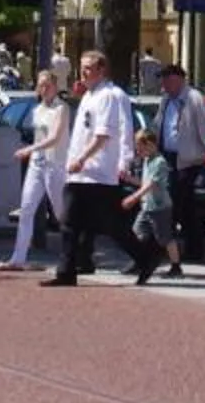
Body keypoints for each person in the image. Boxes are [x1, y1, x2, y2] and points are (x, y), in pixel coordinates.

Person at [46, 51, 154, 286]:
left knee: (112, 226)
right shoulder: (89, 96)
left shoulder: (108, 96)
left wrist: (82, 159)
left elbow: (103, 135)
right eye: (82, 67)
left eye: (88, 68)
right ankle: (67, 271)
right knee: (70, 223)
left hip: (98, 173)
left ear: (101, 70)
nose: (83, 72)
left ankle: (145, 257)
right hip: (81, 175)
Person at [3, 69, 72, 271]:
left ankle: (72, 256)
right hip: (37, 164)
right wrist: (32, 152)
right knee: (26, 210)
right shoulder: (38, 109)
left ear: (55, 87)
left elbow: (55, 138)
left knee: (60, 213)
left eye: (48, 85)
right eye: (41, 85)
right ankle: (18, 258)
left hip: (55, 165)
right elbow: (38, 136)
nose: (44, 89)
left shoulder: (62, 108)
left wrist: (29, 149)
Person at [153, 63, 205, 266]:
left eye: (167, 79)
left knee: (176, 202)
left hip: (187, 160)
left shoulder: (193, 99)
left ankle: (172, 247)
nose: (163, 84)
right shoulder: (166, 101)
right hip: (167, 157)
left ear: (178, 79)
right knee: (185, 206)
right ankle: (190, 248)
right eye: (162, 79)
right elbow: (159, 125)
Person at [123, 126, 183, 281]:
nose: (139, 153)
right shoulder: (147, 161)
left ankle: (176, 266)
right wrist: (129, 179)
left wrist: (134, 198)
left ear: (150, 144)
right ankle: (139, 261)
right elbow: (144, 183)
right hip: (146, 206)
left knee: (165, 237)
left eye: (141, 149)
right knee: (136, 233)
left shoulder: (160, 162)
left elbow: (152, 185)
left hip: (159, 207)